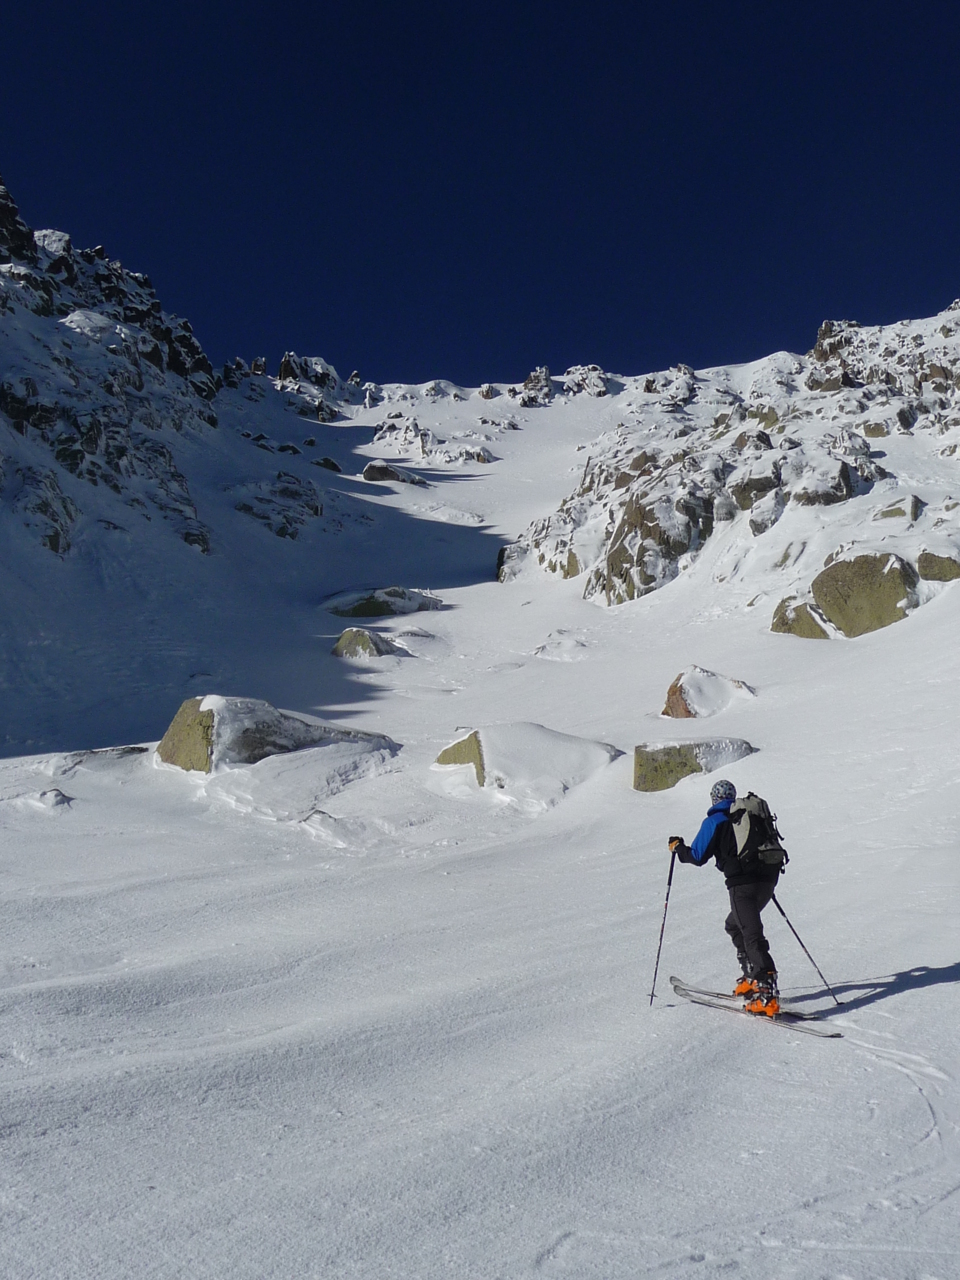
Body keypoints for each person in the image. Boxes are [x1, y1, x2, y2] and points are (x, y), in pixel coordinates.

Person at [668, 779, 781, 1016]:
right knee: (735, 925)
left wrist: (678, 848)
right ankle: (752, 976)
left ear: (714, 798)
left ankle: (766, 993)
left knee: (751, 934)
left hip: (742, 886)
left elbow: (697, 856)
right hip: (768, 881)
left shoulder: (715, 820)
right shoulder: (749, 816)